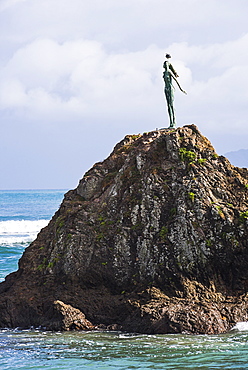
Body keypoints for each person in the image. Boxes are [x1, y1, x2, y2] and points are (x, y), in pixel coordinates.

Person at [163, 54, 186, 128]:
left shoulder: (169, 72)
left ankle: (173, 122)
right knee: (168, 106)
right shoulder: (164, 73)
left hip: (170, 88)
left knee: (172, 105)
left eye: (167, 64)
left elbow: (176, 81)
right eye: (165, 64)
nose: (166, 65)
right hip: (166, 89)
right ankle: (170, 123)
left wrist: (181, 89)